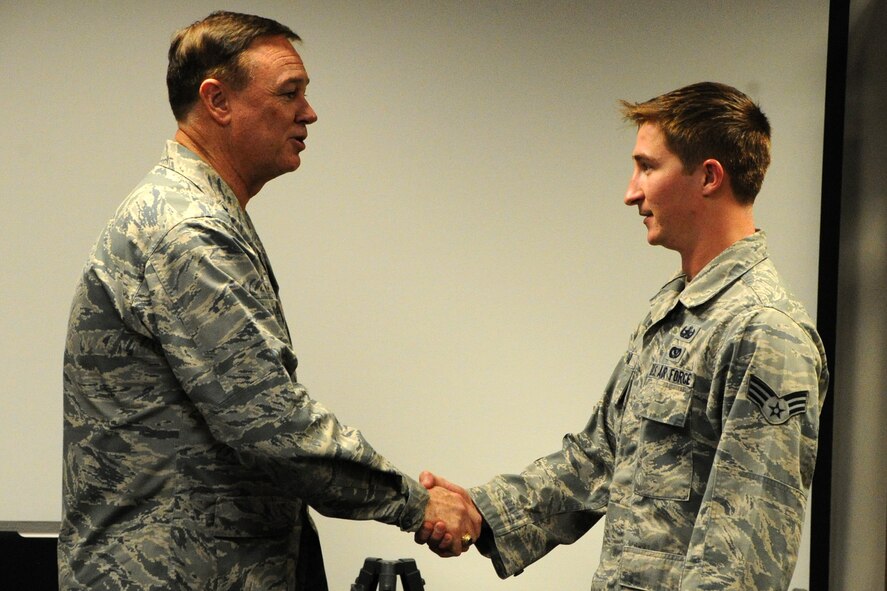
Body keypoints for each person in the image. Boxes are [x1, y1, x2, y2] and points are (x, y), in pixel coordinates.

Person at [58, 11, 480, 591]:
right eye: (289, 93)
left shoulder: (195, 213)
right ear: (218, 100)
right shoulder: (187, 232)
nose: (308, 113)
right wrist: (415, 502)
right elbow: (270, 425)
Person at [416, 81, 828, 590]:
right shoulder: (677, 309)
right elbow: (599, 458)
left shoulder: (765, 332)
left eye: (648, 167)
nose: (631, 191)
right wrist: (481, 511)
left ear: (709, 176)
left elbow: (742, 563)